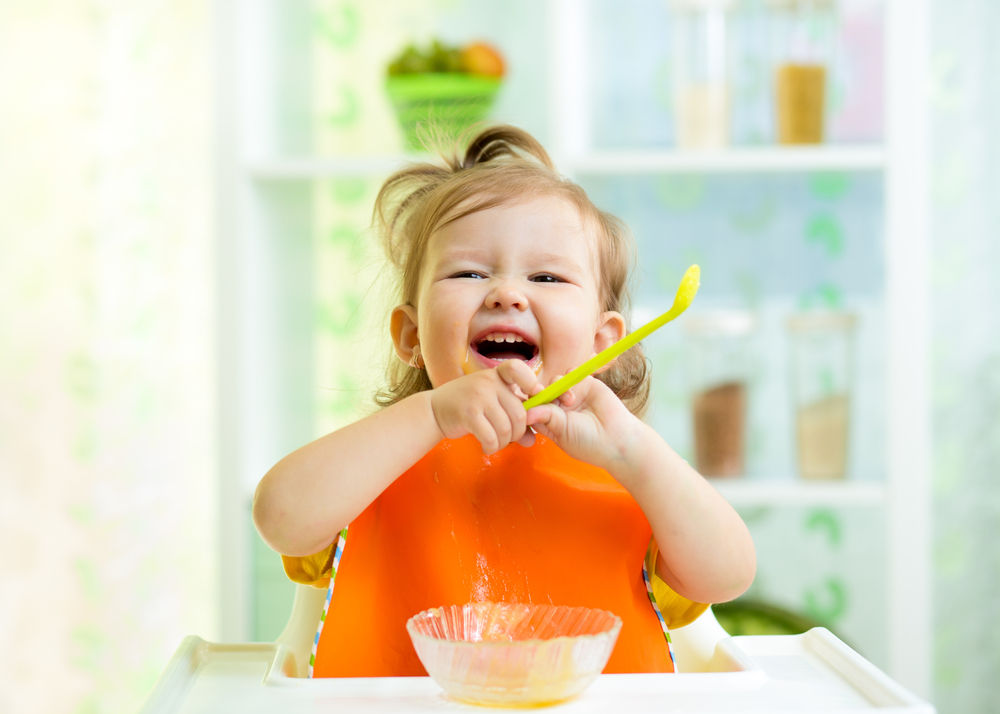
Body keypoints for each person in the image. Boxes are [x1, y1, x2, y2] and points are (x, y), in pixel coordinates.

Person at [252, 124, 756, 677]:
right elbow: (279, 516)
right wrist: (432, 414)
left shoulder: (631, 476)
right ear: (411, 337)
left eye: (546, 276)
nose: (507, 293)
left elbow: (729, 575)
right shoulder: (371, 469)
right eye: (469, 272)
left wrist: (634, 452)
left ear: (601, 342)